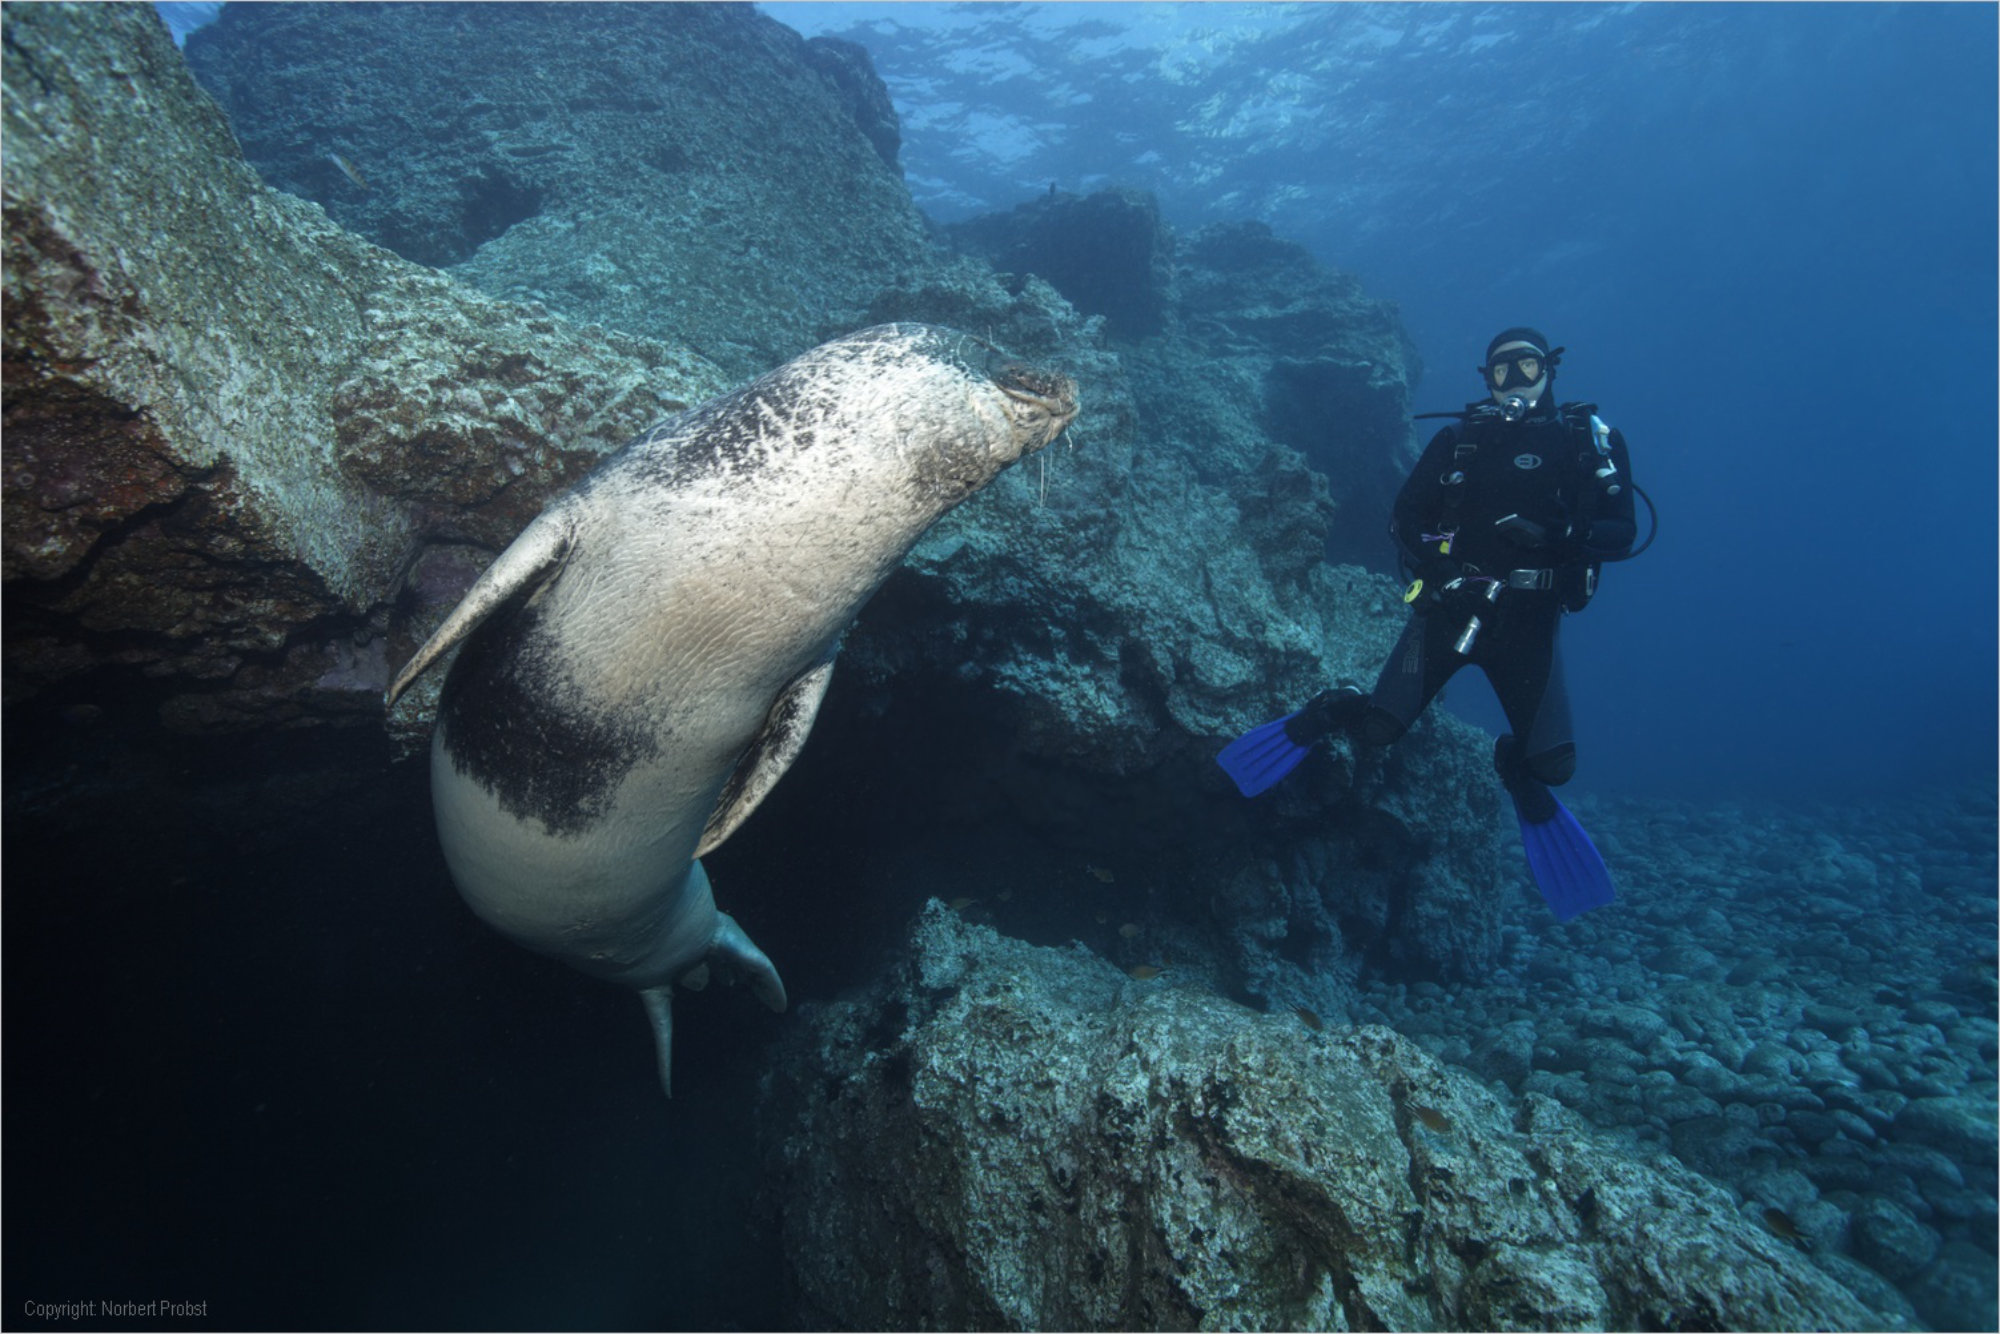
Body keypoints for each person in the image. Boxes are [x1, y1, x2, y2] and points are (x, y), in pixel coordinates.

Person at [1217, 327, 1642, 919]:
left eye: (1526, 367)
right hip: (1450, 610)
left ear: (1549, 369)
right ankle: (1332, 709)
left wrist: (1562, 534)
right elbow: (1405, 517)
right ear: (1487, 380)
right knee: (1377, 732)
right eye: (1501, 372)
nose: (1515, 383)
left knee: (1555, 768)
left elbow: (1623, 532)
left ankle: (1514, 769)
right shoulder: (1460, 441)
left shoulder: (1590, 442)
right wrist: (1440, 575)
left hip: (1529, 623)